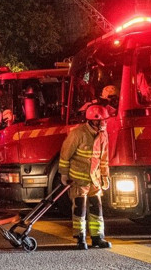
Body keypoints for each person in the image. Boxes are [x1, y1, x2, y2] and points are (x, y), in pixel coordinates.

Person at [58, 104, 112, 250]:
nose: (104, 123)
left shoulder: (103, 135)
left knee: (97, 208)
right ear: (93, 121)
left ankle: (97, 238)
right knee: (79, 208)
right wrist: (64, 174)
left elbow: (104, 158)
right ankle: (80, 238)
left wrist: (105, 176)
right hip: (78, 180)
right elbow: (65, 155)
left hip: (94, 180)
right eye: (102, 120)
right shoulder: (78, 134)